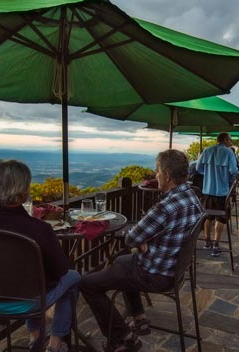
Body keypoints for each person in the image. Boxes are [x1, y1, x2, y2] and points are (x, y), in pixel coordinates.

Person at [79, 149, 204, 352]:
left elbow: (130, 238)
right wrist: (145, 241)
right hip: (175, 270)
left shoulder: (165, 207)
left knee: (88, 284)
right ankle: (139, 317)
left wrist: (142, 241)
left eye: (157, 171)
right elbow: (149, 237)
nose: (155, 175)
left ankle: (121, 338)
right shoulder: (193, 196)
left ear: (167, 176)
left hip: (155, 274)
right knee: (122, 260)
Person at [0, 159, 79, 352]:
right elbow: (60, 270)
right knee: (73, 277)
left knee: (34, 284)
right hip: (28, 303)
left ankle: (35, 337)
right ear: (22, 191)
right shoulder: (38, 228)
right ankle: (55, 345)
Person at [196, 132, 239, 257]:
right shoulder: (229, 152)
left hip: (207, 191)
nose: (230, 142)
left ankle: (207, 242)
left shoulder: (207, 150)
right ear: (225, 139)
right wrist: (228, 178)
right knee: (221, 218)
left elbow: (198, 167)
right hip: (222, 192)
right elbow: (233, 171)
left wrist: (208, 175)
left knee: (208, 216)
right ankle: (216, 245)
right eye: (229, 139)